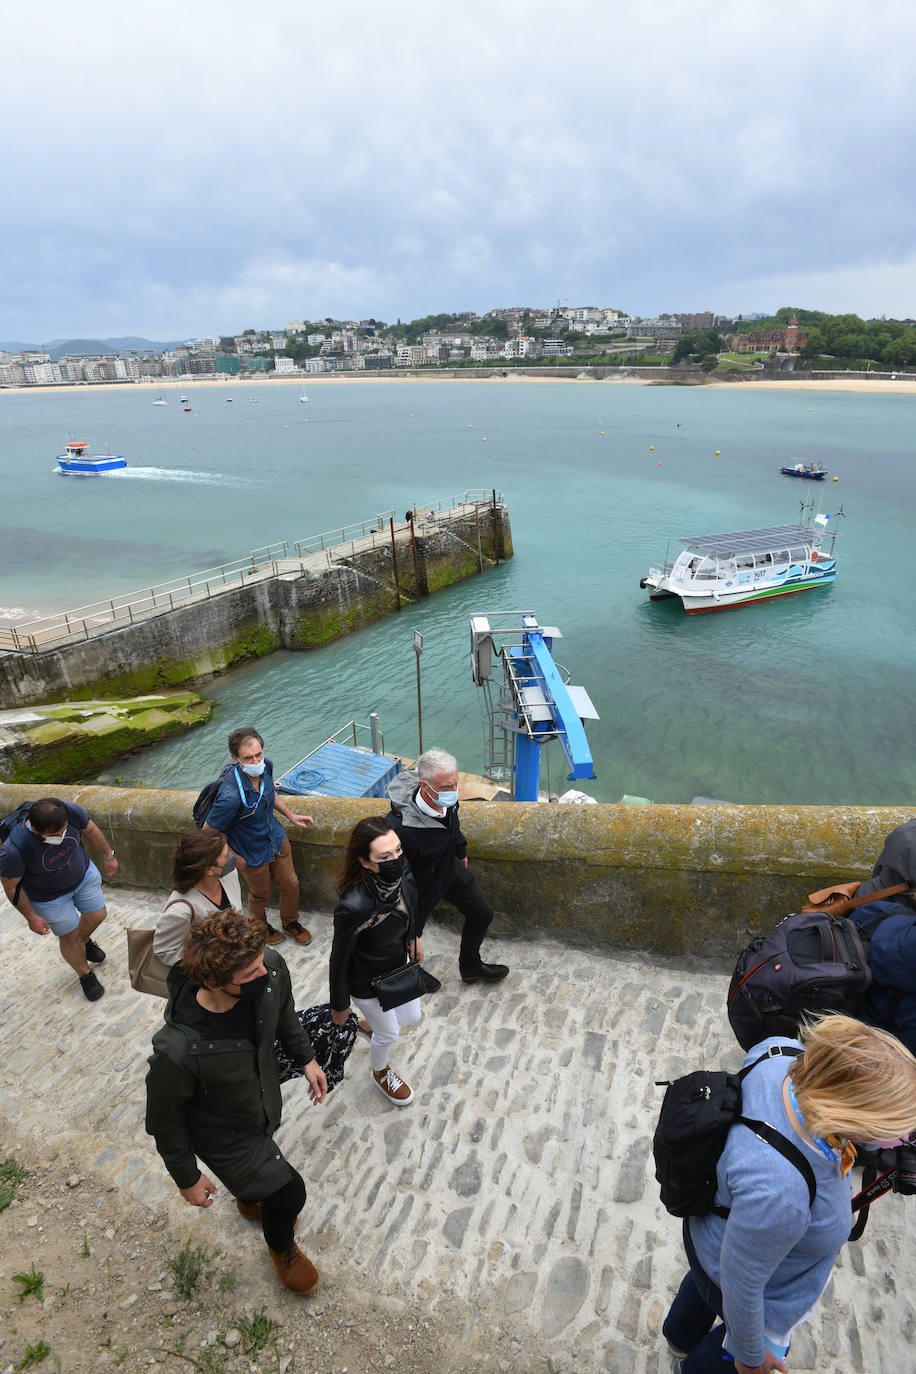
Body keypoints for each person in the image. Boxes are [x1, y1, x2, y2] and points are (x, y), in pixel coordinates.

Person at [662, 1014, 916, 1374]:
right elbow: (740, 1285)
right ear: (854, 1117)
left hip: (708, 1234)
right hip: (734, 1275)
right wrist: (749, 1358)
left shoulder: (780, 1053)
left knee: (700, 1286)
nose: (902, 1139)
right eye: (899, 1130)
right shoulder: (782, 1195)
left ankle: (677, 1337)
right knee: (723, 1340)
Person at [145, 908, 328, 1295]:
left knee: (266, 1188)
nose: (265, 973)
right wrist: (187, 1178)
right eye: (249, 975)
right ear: (212, 980)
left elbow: (284, 1015)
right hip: (222, 1134)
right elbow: (164, 1120)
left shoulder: (268, 968)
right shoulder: (177, 1050)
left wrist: (306, 1057)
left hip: (258, 1104)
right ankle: (281, 1248)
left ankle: (250, 1200)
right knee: (290, 1193)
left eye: (261, 962)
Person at [387, 747, 508, 988]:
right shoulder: (400, 830)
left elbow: (454, 829)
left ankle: (471, 966)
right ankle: (412, 972)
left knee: (482, 913)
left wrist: (460, 853)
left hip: (448, 868)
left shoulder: (448, 801)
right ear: (424, 785)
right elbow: (399, 877)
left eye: (455, 784)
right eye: (445, 787)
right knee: (407, 937)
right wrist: (410, 921)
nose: (454, 792)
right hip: (417, 886)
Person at [329, 817, 423, 1106]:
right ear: (366, 862)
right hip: (367, 981)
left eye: (397, 851)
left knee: (411, 1017)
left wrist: (414, 937)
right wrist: (340, 1004)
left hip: (399, 964)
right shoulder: (353, 907)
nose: (395, 860)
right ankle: (381, 1071)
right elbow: (339, 959)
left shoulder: (402, 874)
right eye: (384, 857)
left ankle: (367, 1024)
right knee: (390, 1033)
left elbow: (411, 906)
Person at [0, 797, 118, 1002]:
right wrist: (31, 917)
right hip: (49, 898)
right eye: (55, 835)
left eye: (64, 830)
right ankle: (85, 974)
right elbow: (11, 886)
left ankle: (83, 943)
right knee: (69, 936)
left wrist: (109, 855)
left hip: (84, 876)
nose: (62, 836)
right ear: (37, 830)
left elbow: (90, 830)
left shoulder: (71, 812)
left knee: (98, 914)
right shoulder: (13, 850)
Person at [204, 727, 315, 947]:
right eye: (248, 758)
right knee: (260, 893)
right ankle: (260, 928)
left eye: (259, 755)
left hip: (275, 839)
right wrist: (234, 856)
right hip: (249, 851)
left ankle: (290, 922)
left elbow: (269, 794)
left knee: (290, 883)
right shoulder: (230, 795)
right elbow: (208, 832)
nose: (256, 761)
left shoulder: (266, 766)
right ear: (236, 758)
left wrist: (290, 816)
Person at [154, 829, 243, 967]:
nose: (231, 858)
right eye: (225, 856)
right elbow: (164, 951)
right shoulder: (180, 911)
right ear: (209, 870)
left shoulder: (229, 875)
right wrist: (209, 961)